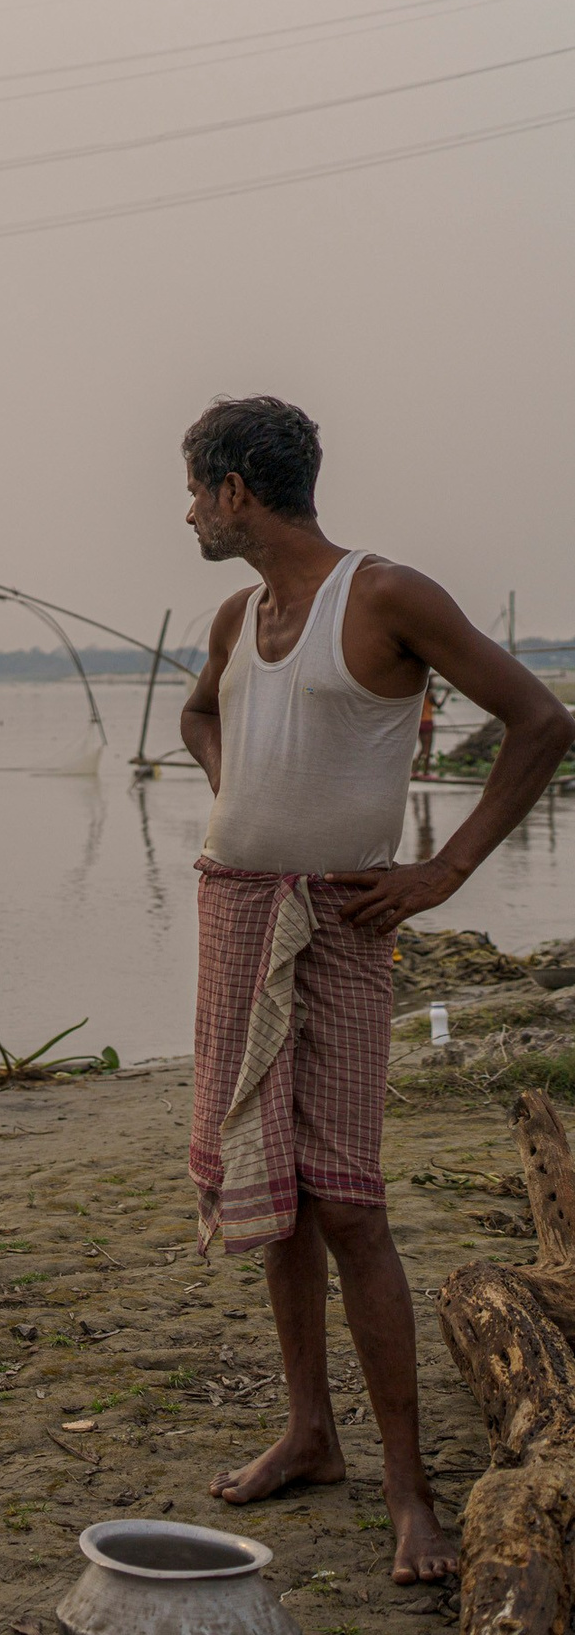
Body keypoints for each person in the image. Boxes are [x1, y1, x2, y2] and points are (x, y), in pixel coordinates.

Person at [174, 395, 572, 1585]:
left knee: (348, 1202)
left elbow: (539, 720)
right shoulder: (240, 613)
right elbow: (200, 715)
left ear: (239, 487)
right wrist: (236, 783)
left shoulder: (385, 594)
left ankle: (408, 1489)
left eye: (197, 488)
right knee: (271, 1193)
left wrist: (442, 869)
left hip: (343, 924)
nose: (188, 510)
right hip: (233, 908)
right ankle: (308, 1433)